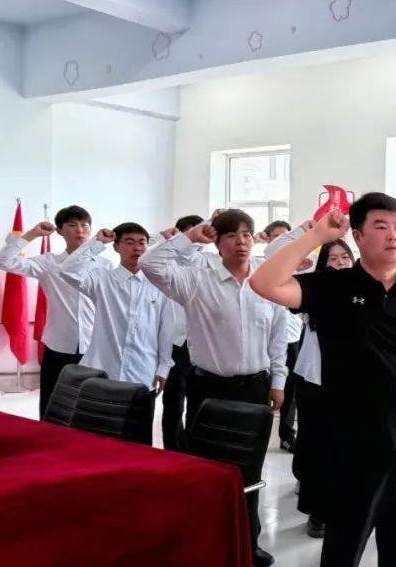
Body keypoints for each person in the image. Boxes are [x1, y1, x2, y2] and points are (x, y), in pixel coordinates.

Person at [248, 193, 396, 567]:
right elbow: (263, 282)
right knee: (343, 550)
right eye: (381, 226)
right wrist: (316, 236)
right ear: (357, 236)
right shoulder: (333, 287)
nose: (393, 235)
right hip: (351, 447)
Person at [140, 209, 288, 567]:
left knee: (250, 470)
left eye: (247, 234)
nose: (241, 242)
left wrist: (278, 381)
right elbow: (150, 263)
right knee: (208, 468)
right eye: (232, 235)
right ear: (217, 243)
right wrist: (191, 236)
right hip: (209, 388)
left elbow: (278, 337)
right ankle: (205, 539)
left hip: (255, 388)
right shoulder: (196, 281)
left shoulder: (265, 282)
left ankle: (248, 542)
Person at [0, 205, 110, 418]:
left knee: (91, 406)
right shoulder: (49, 263)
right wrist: (31, 234)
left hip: (95, 345)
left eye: (84, 226)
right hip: (59, 343)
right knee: (53, 404)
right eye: (72, 225)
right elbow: (2, 261)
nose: (80, 230)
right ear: (60, 231)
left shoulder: (104, 265)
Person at [59, 223, 176, 391]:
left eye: (142, 243)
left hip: (142, 369)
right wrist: (97, 242)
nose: (137, 248)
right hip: (101, 369)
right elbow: (68, 271)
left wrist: (164, 365)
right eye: (129, 242)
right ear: (116, 247)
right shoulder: (102, 280)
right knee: (97, 407)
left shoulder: (159, 284)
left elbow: (166, 329)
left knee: (139, 408)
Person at [291, 238, 354, 538]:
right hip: (316, 381)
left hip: (353, 383)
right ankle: (317, 511)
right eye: (333, 258)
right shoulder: (315, 290)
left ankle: (346, 507)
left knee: (348, 449)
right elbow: (283, 287)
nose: (340, 263)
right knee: (318, 445)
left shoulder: (366, 291)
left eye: (345, 257)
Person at [158, 213, 204, 452]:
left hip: (203, 343)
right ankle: (173, 451)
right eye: (190, 235)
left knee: (199, 401)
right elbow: (147, 256)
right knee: (173, 402)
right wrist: (166, 239)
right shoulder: (167, 263)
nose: (195, 240)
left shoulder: (210, 262)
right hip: (175, 344)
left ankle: (194, 450)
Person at [257, 219, 301, 453]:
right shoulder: (260, 266)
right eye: (278, 237)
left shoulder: (299, 266)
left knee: (290, 390)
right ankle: (258, 434)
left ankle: (286, 435)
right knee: (265, 388)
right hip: (265, 339)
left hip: (292, 337)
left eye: (287, 236)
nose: (283, 241)